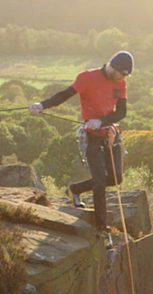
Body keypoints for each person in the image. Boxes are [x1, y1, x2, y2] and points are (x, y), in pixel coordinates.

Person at [31, 51, 132, 231]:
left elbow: (121, 112)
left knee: (115, 178)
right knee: (99, 181)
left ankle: (75, 189)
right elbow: (64, 95)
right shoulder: (87, 77)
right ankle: (102, 227)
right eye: (121, 73)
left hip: (109, 133)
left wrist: (101, 121)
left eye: (125, 75)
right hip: (91, 136)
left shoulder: (121, 83)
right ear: (112, 66)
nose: (122, 78)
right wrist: (42, 105)